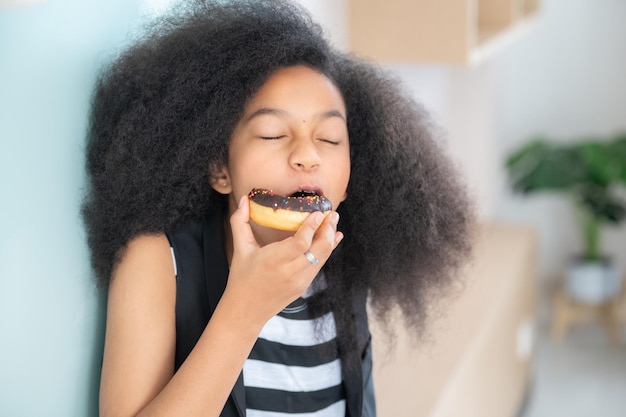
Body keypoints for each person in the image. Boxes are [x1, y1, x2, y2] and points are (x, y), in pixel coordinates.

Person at [82, 1, 475, 416]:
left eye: (329, 139)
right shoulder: (159, 258)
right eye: (271, 134)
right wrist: (244, 310)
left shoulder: (347, 262)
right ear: (220, 169)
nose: (307, 156)